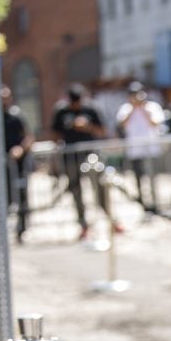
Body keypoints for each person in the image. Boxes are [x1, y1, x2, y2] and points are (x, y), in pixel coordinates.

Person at [50, 83, 113, 240]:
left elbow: (103, 131)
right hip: (71, 157)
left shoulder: (91, 109)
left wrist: (88, 127)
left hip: (91, 155)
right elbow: (54, 135)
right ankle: (83, 224)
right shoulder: (61, 111)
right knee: (76, 191)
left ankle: (111, 220)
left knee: (100, 187)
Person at [116, 81, 165, 215]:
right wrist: (133, 108)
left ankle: (156, 203)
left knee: (153, 178)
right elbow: (122, 125)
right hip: (135, 149)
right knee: (138, 178)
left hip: (151, 148)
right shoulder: (126, 108)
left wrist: (143, 109)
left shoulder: (152, 107)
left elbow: (156, 123)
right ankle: (143, 204)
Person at [1, 86, 33, 242]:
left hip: (19, 165)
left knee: (22, 196)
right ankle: (3, 230)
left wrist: (20, 149)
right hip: (2, 166)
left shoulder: (17, 116)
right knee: (4, 197)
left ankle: (22, 229)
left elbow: (28, 137)